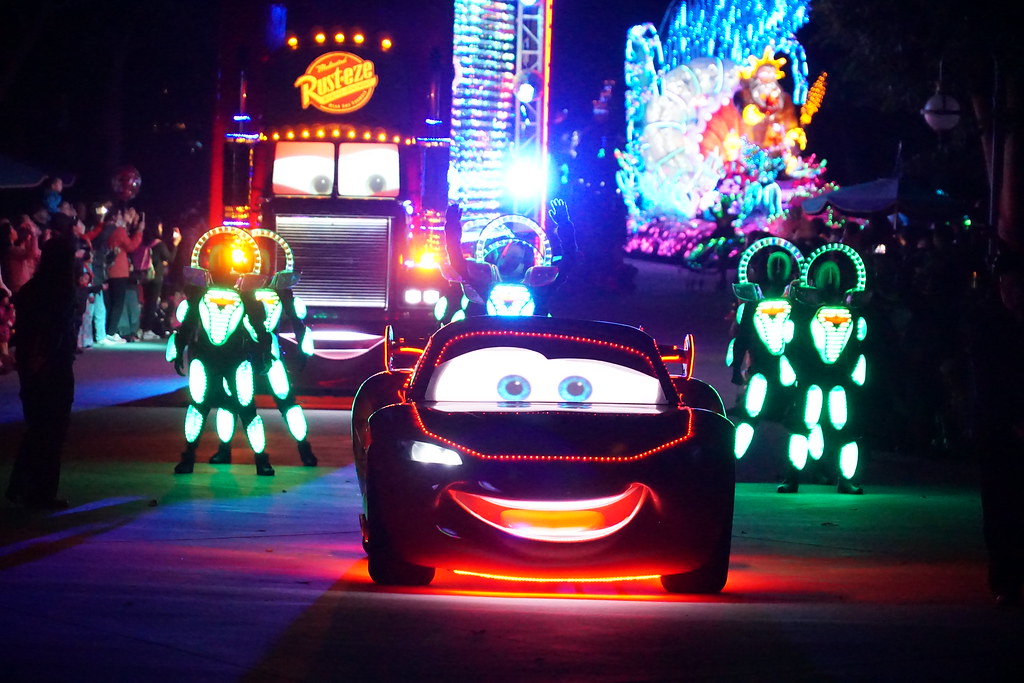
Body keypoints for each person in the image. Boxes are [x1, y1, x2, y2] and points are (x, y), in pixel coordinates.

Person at [169, 229, 275, 476]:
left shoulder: (207, 295)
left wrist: (179, 350)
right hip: (227, 359)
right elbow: (261, 330)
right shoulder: (241, 296)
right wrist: (264, 354)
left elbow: (187, 327)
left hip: (220, 359)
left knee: (203, 407)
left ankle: (189, 458)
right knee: (240, 409)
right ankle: (260, 461)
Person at [965, 248, 1024, 605]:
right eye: (1005, 286)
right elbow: (986, 381)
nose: (1011, 293)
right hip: (999, 429)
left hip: (1004, 423)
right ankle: (1004, 579)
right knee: (1001, 506)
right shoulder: (988, 326)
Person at [4, 235, 80, 509]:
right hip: (54, 366)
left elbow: (26, 326)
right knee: (53, 429)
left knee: (37, 427)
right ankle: (40, 492)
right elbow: (56, 330)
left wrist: (30, 358)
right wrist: (43, 356)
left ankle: (21, 486)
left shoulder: (32, 288)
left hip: (31, 365)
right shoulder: (63, 290)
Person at [100, 207, 143, 343]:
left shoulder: (111, 230)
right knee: (117, 303)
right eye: (126, 215)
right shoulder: (119, 230)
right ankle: (111, 332)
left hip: (113, 270)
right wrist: (140, 232)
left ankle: (110, 331)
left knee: (113, 302)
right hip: (119, 270)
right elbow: (131, 246)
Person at [135, 220, 180, 340]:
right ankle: (147, 330)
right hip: (156, 277)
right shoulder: (159, 244)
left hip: (146, 277)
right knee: (152, 303)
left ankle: (141, 328)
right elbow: (170, 258)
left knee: (147, 302)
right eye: (159, 226)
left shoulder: (147, 242)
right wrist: (175, 244)